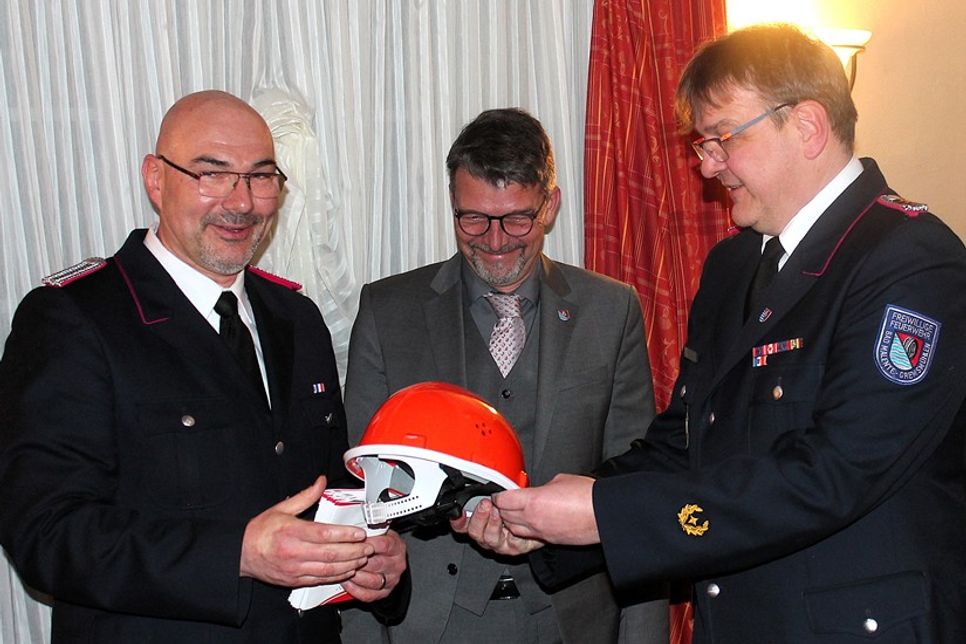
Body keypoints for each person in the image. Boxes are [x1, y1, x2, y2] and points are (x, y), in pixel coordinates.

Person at [461, 24, 966, 643]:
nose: (706, 164)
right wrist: (546, 517)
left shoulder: (910, 259)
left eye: (722, 138)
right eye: (703, 144)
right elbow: (685, 443)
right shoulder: (734, 268)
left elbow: (833, 474)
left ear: (806, 126)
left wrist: (605, 516)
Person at [0, 90, 407, 643]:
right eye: (211, 174)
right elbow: (46, 533)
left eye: (261, 177)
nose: (241, 203)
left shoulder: (297, 318)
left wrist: (369, 557)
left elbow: (327, 488)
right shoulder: (76, 318)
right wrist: (236, 555)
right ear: (155, 179)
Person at [340, 108, 667, 643]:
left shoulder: (612, 311)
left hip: (575, 623)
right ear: (452, 204)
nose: (494, 242)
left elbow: (635, 492)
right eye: (473, 219)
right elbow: (362, 502)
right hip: (428, 624)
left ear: (550, 206)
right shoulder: (387, 311)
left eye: (516, 219)